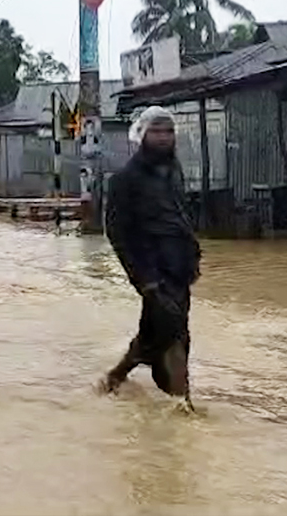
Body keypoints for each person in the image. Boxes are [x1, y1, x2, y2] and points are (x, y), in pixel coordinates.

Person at [100, 106, 201, 411]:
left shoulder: (174, 171)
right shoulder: (125, 180)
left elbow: (180, 218)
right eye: (156, 131)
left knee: (153, 335)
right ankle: (182, 403)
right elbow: (117, 233)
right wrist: (145, 280)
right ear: (142, 135)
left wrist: (192, 259)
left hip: (180, 268)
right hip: (153, 272)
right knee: (176, 333)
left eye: (168, 131)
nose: (163, 138)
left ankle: (115, 378)